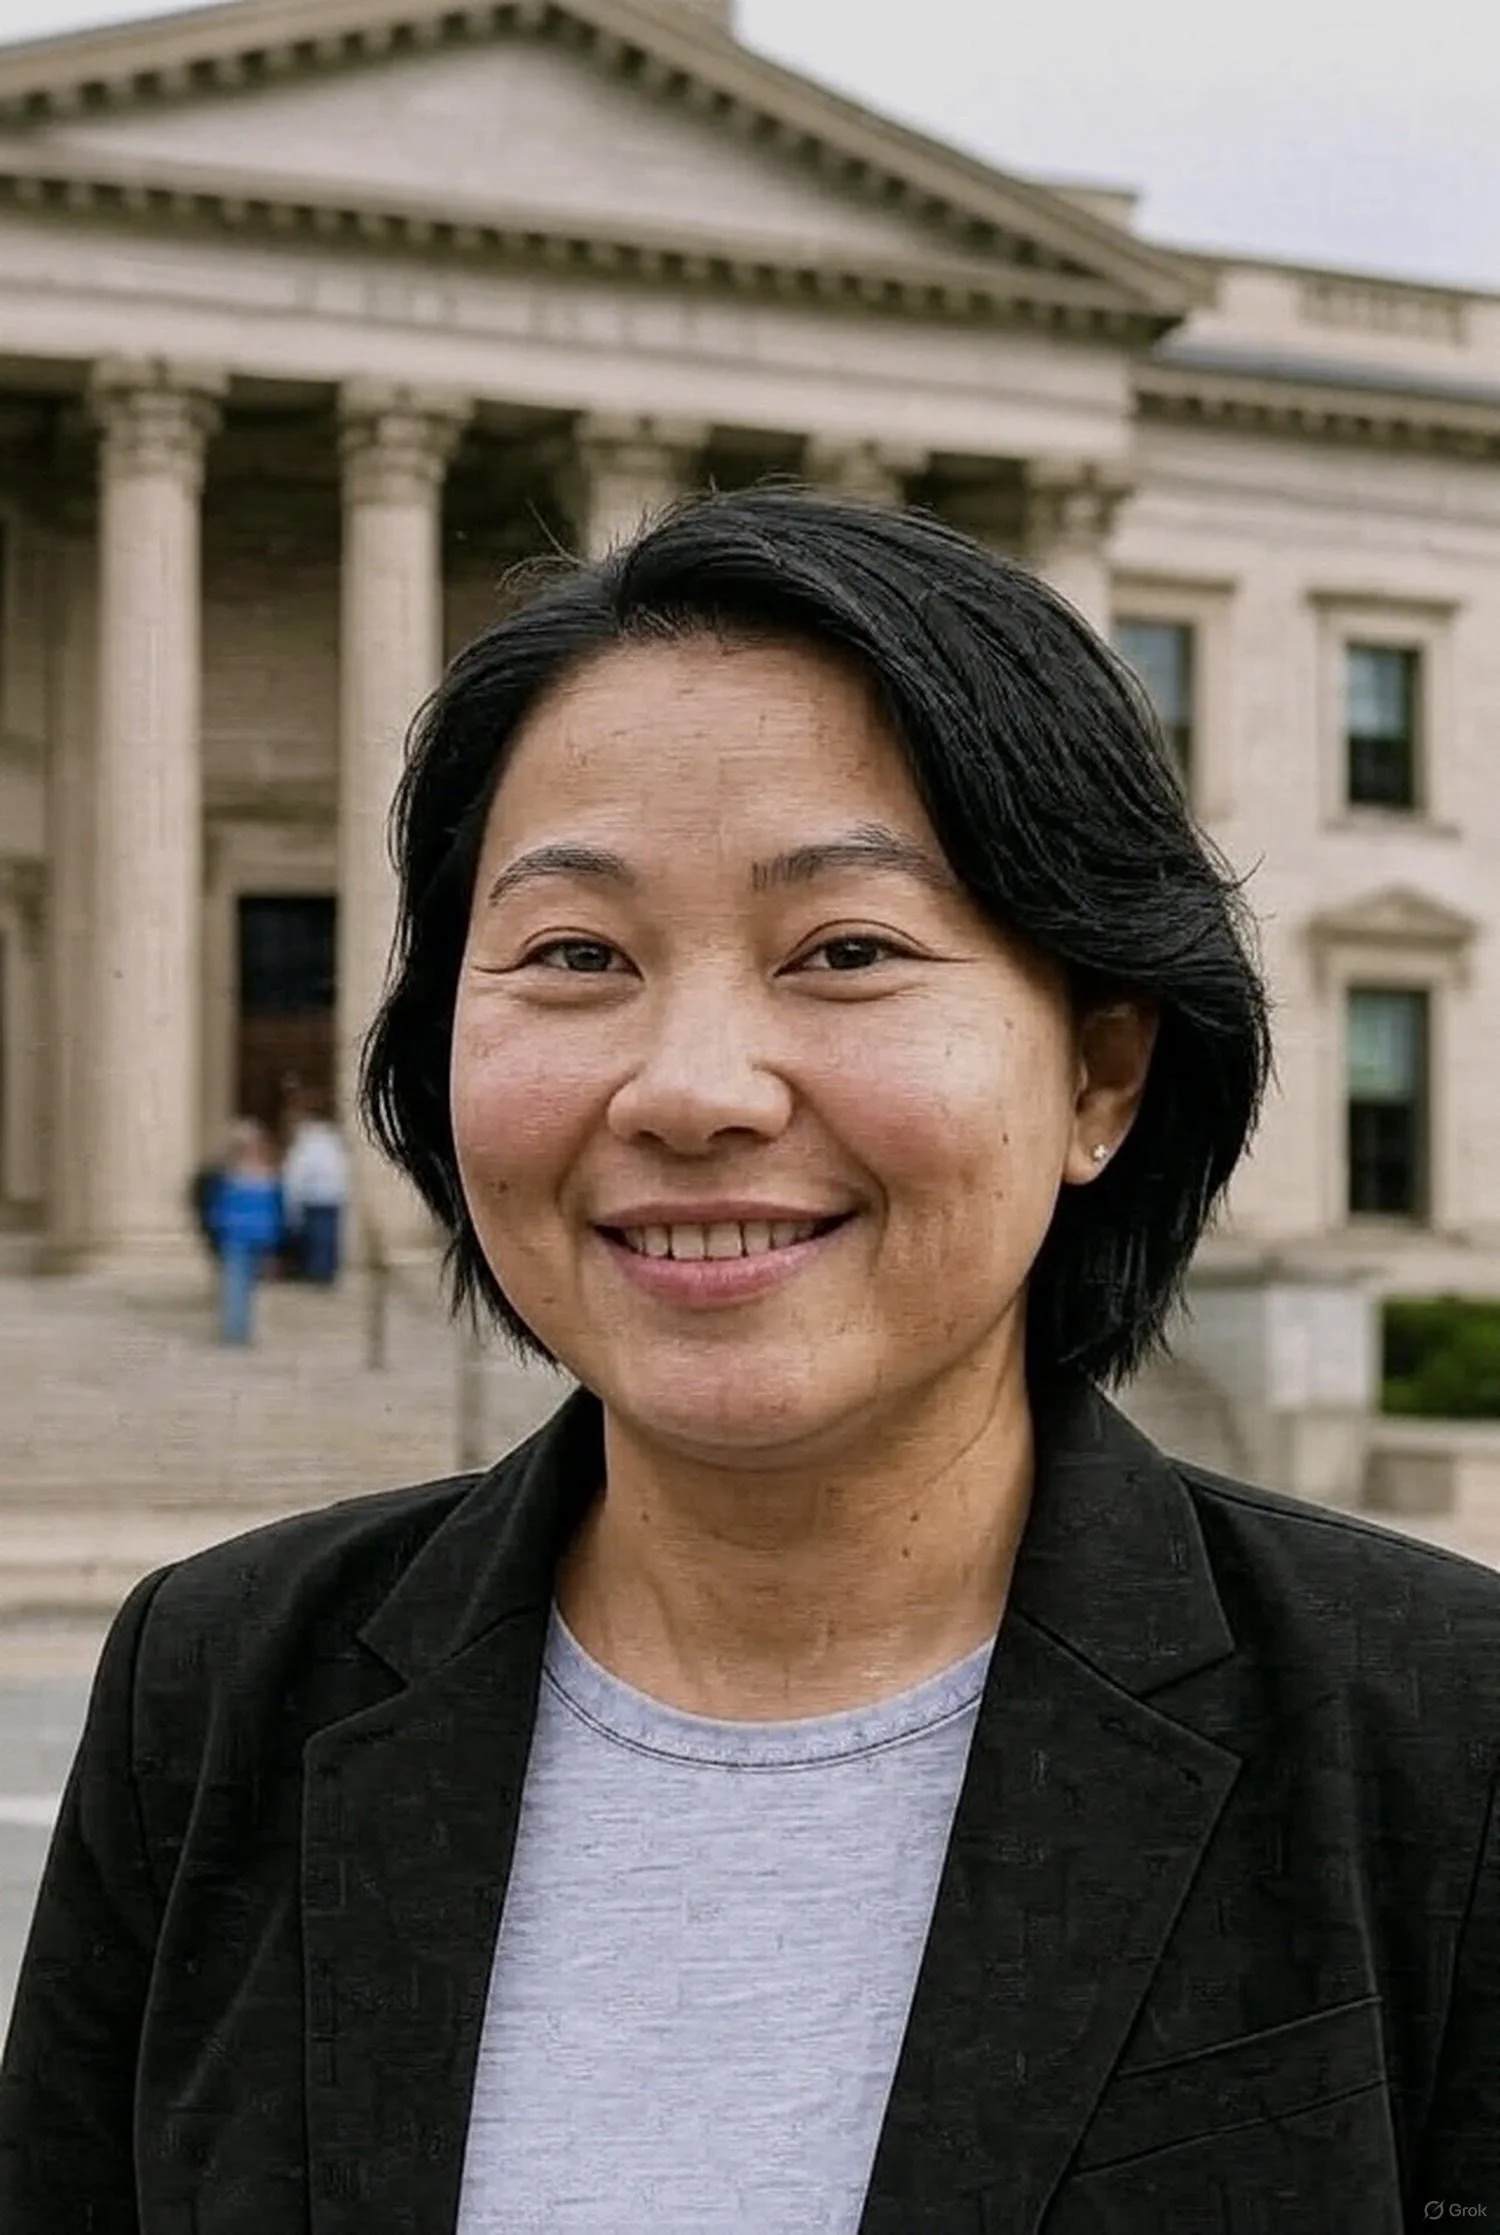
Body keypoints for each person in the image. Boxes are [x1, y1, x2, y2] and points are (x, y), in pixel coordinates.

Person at [2, 490, 1495, 2233]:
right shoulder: (218, 1688)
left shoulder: (1441, 1739)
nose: (693, 1087)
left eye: (847, 951)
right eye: (576, 955)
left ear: (1100, 1073)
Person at [203, 1117, 284, 1346]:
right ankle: (233, 1332)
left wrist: (274, 1243)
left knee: (252, 1289)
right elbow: (218, 1208)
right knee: (234, 1286)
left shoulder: (266, 1174)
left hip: (257, 1237)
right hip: (236, 1237)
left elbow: (274, 1211)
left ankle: (244, 1331)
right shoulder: (229, 1175)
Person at [280, 1092, 351, 1285]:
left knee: (316, 1238)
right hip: (332, 1195)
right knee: (327, 1238)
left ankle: (317, 1274)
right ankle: (325, 1273)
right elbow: (341, 1169)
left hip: (314, 1197)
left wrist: (292, 1199)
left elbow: (296, 1173)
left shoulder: (306, 1143)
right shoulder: (333, 1141)